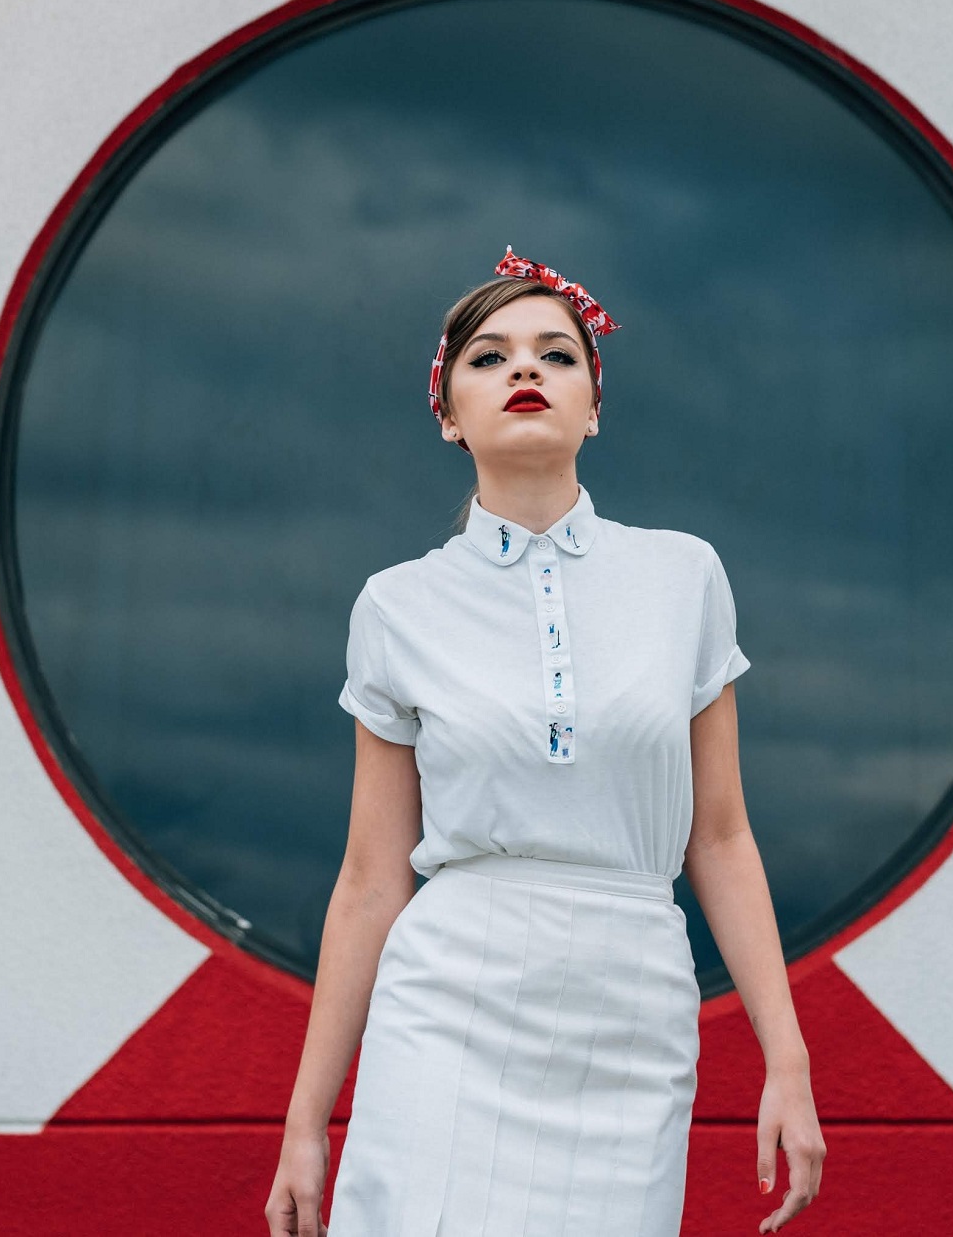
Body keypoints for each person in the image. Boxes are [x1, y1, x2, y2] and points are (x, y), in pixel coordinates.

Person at [266, 246, 825, 1237]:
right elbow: (369, 877)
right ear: (447, 411)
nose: (525, 370)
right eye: (489, 356)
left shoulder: (684, 576)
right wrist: (306, 1120)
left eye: (556, 353)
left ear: (595, 405)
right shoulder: (397, 605)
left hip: (633, 998)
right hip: (449, 993)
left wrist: (788, 1059)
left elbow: (722, 837)